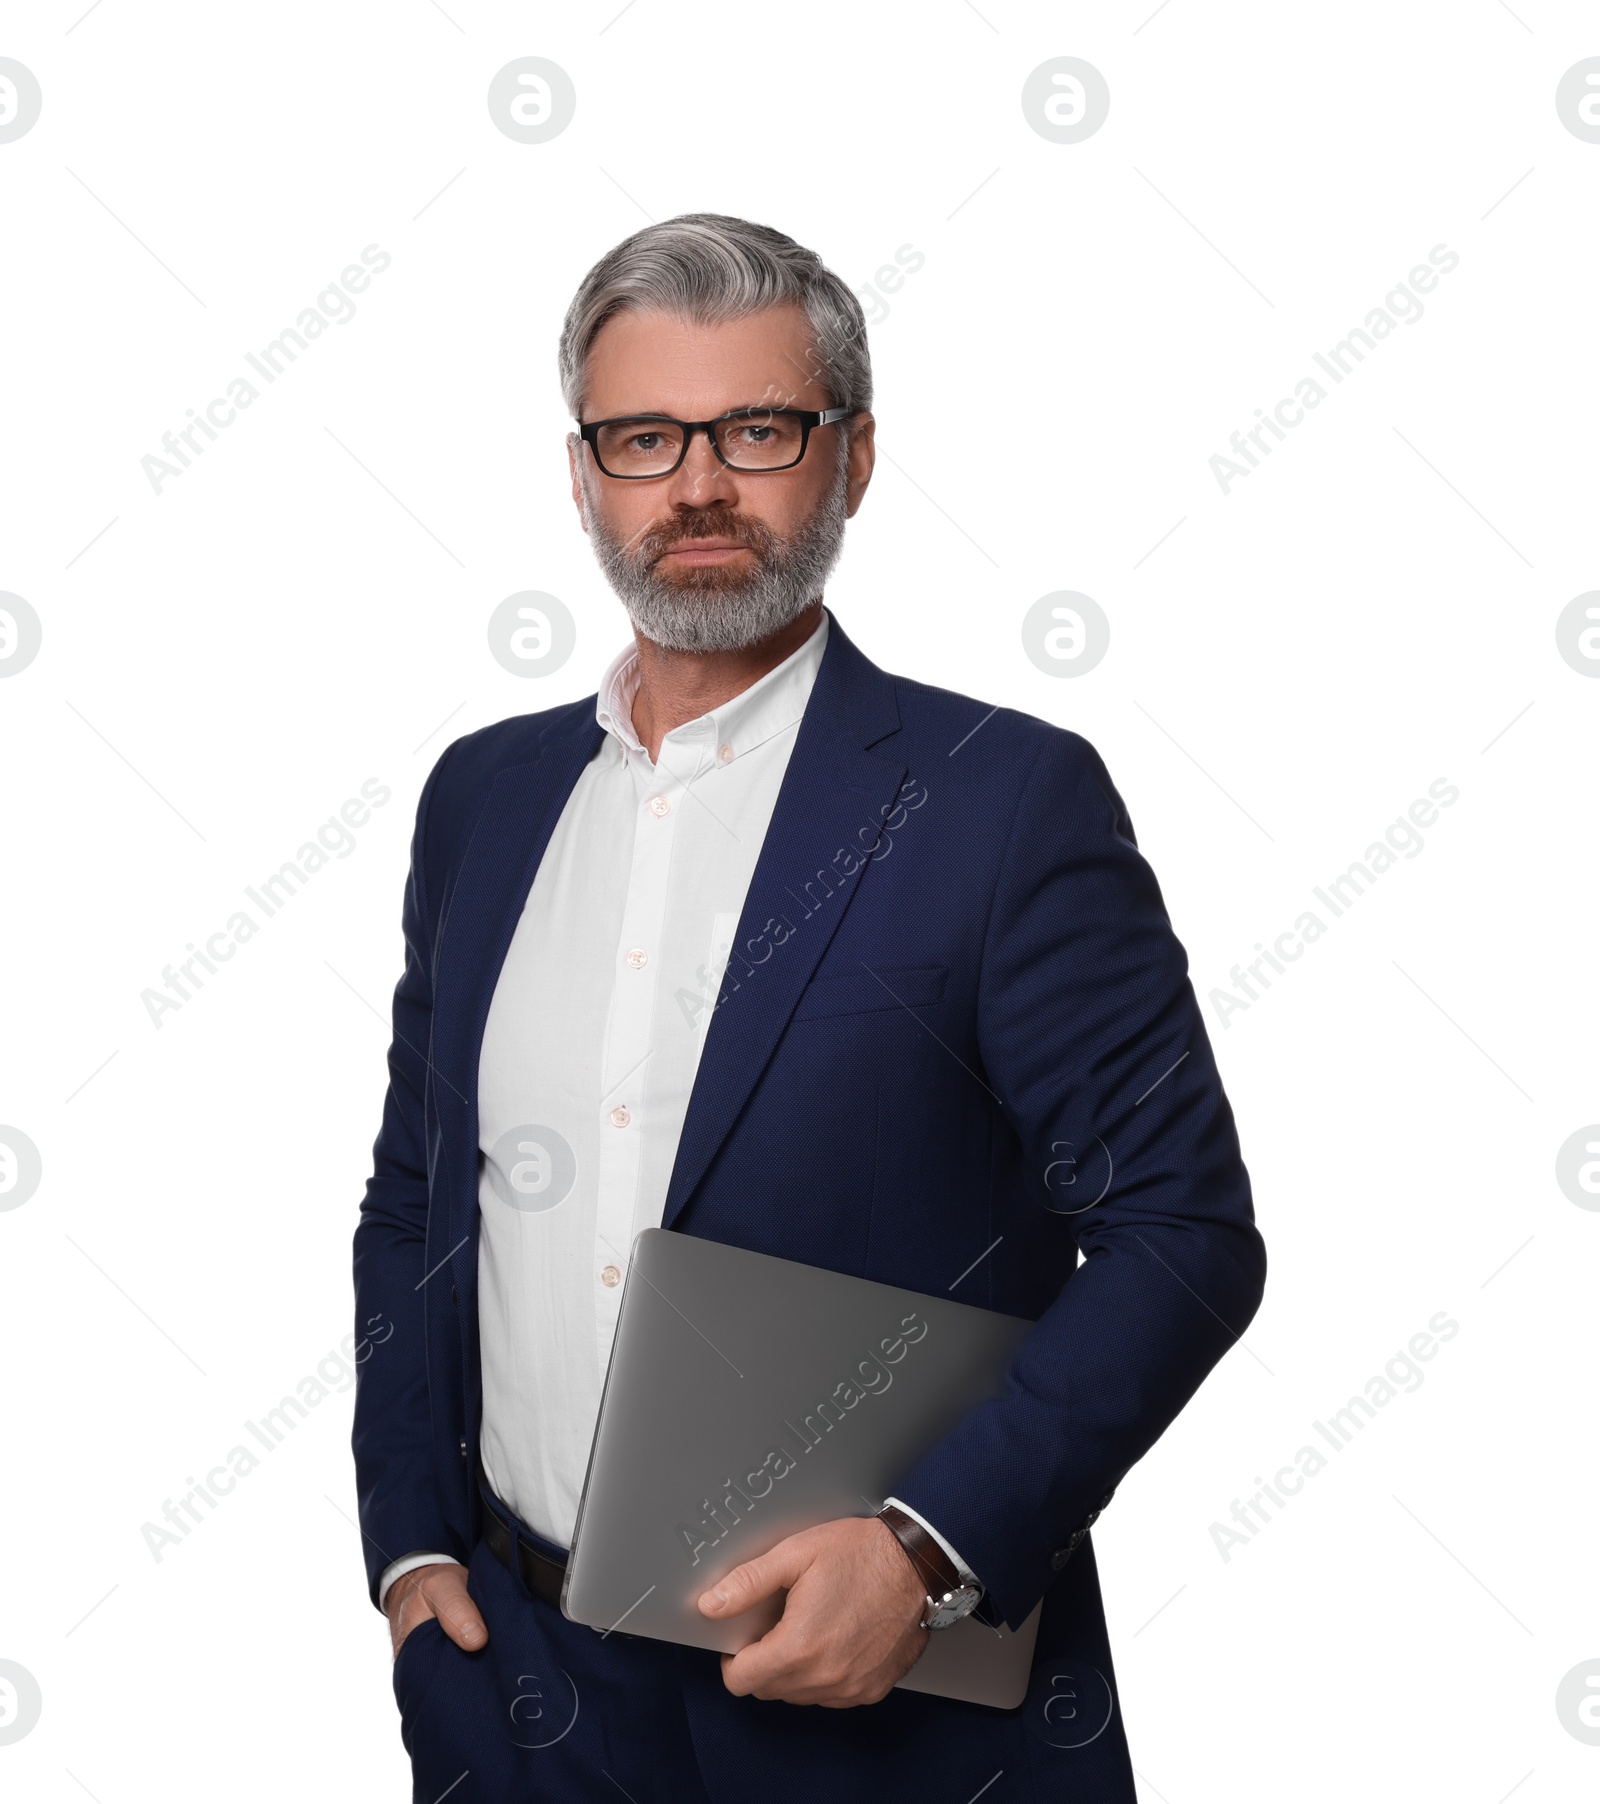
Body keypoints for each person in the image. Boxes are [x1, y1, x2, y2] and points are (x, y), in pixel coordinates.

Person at [352, 212, 1266, 1802]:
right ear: (584, 477)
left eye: (755, 429)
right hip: (518, 1695)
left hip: (882, 1715)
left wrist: (928, 1552)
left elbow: (1184, 1236)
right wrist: (413, 1551)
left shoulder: (1003, 805)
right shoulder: (482, 800)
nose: (695, 485)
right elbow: (421, 1195)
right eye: (644, 437)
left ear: (848, 459)